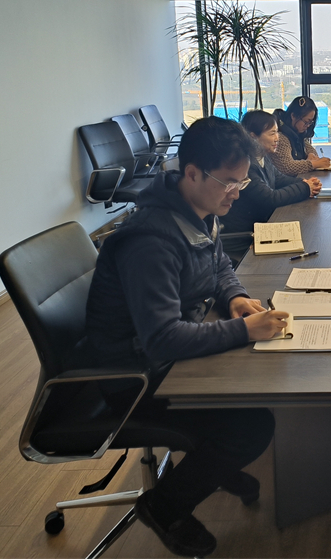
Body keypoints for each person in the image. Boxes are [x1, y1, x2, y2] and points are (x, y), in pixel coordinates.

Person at [85, 116, 290, 557]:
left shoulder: (195, 209)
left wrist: (235, 297)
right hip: (135, 376)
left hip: (170, 352)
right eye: (229, 183)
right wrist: (243, 329)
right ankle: (164, 504)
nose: (237, 193)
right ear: (192, 173)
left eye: (242, 181)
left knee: (256, 384)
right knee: (253, 425)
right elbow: (162, 339)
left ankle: (210, 465)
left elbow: (219, 266)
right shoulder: (151, 240)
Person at [221, 110, 322, 259]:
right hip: (248, 236)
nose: (277, 138)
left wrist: (307, 183)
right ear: (253, 137)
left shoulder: (262, 157)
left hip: (262, 227)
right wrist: (305, 188)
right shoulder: (245, 166)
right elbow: (270, 198)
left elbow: (279, 179)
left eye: (277, 133)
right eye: (272, 133)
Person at [269, 96, 331, 175]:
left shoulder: (297, 132)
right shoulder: (281, 137)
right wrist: (313, 164)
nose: (308, 126)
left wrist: (311, 155)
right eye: (306, 122)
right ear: (293, 116)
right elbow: (287, 167)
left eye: (310, 122)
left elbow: (310, 149)